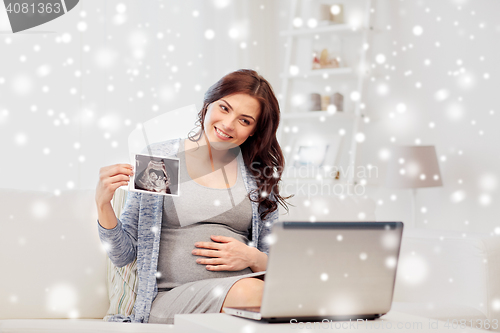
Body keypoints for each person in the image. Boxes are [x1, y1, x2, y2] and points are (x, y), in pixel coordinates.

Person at [95, 69, 291, 324]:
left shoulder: (257, 176)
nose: (229, 124)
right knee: (261, 294)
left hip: (246, 299)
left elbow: (277, 265)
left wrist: (252, 257)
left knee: (277, 295)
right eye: (224, 108)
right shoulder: (162, 159)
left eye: (245, 120)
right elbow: (124, 254)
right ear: (207, 105)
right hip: (172, 299)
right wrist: (103, 204)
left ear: (254, 130)